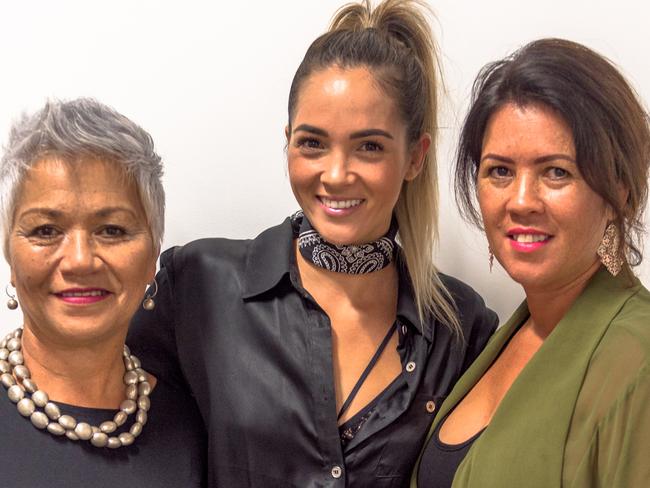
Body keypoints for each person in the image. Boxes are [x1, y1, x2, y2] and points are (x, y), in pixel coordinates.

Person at [127, 0, 497, 486]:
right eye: (312, 143)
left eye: (369, 146)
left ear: (414, 156)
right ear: (288, 143)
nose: (336, 174)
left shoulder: (461, 328)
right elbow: (118, 431)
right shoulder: (197, 285)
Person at [412, 38, 650, 487]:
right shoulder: (507, 334)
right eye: (500, 171)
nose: (521, 201)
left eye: (557, 171)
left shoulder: (639, 359)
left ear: (618, 190)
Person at [0, 98, 206, 487]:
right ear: (10, 255)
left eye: (112, 230)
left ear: (152, 255)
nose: (80, 261)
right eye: (46, 230)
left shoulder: (194, 425)